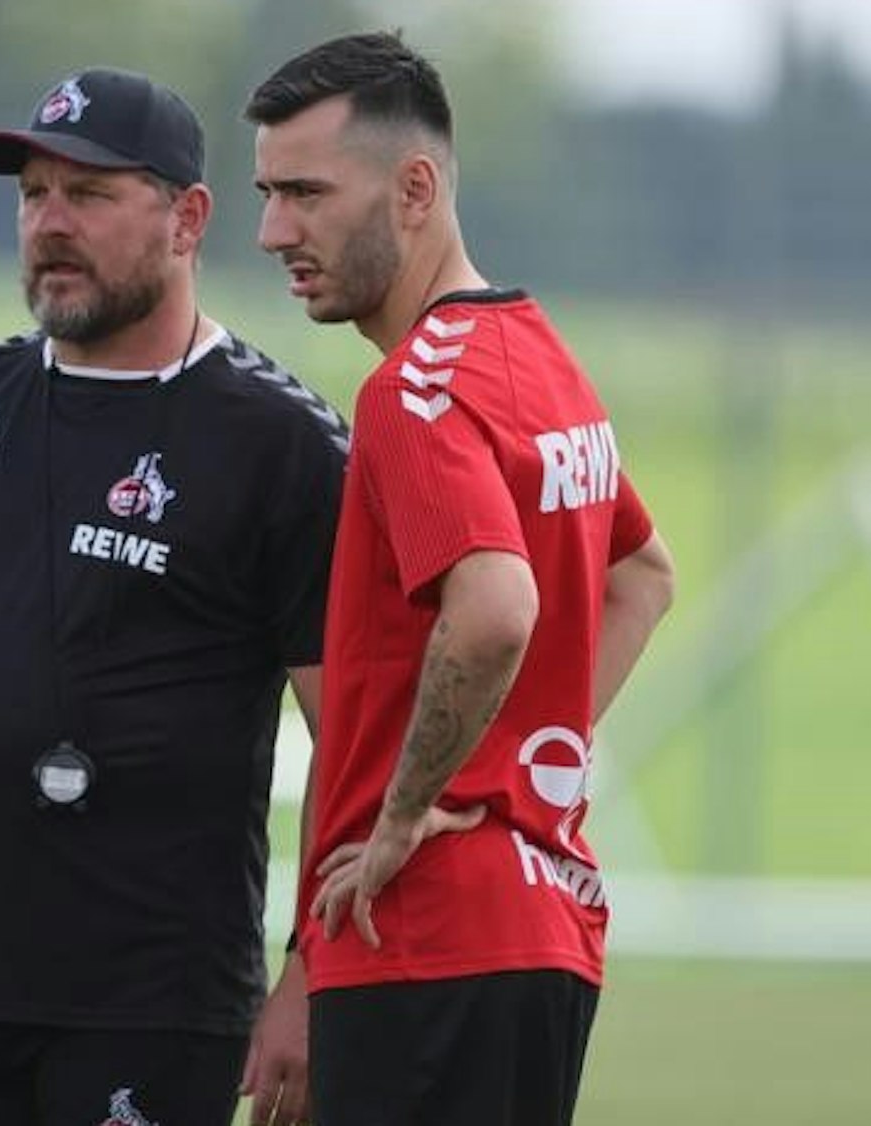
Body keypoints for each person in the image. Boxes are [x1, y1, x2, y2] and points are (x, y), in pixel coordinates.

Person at [0, 67, 346, 1126]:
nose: (49, 222)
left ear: (187, 218)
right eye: (32, 194)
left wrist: (313, 978)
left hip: (155, 1004)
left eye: (87, 195)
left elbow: (352, 732)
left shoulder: (281, 445)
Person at [246, 31, 678, 1125]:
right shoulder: (537, 355)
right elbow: (642, 575)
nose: (271, 231)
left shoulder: (413, 395)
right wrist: (511, 772)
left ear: (414, 187)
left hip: (420, 935)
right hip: (542, 927)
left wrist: (409, 812)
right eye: (266, 193)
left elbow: (492, 614)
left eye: (304, 192)